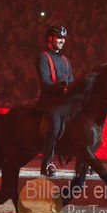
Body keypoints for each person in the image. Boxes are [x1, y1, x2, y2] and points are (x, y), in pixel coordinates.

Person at [36, 25, 74, 176]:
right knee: (55, 127)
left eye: (63, 38)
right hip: (50, 99)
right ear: (50, 38)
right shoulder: (43, 57)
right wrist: (62, 89)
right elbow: (45, 82)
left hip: (65, 100)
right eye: (59, 38)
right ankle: (47, 163)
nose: (62, 41)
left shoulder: (65, 60)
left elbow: (71, 81)